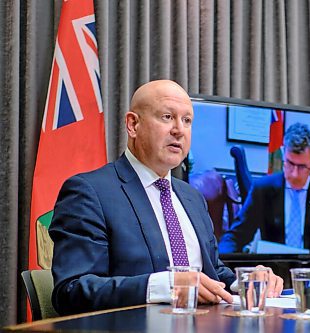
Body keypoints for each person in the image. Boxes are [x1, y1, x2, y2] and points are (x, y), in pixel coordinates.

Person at [49, 80, 283, 315]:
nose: (179, 130)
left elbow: (212, 271)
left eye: (187, 120)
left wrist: (245, 281)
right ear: (133, 125)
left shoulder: (192, 197)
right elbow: (72, 291)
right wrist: (169, 285)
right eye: (167, 117)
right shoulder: (89, 192)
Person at [219, 123, 310, 253]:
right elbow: (237, 235)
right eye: (290, 163)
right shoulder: (263, 189)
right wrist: (219, 265)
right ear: (284, 155)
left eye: (301, 167)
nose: (294, 174)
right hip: (273, 269)